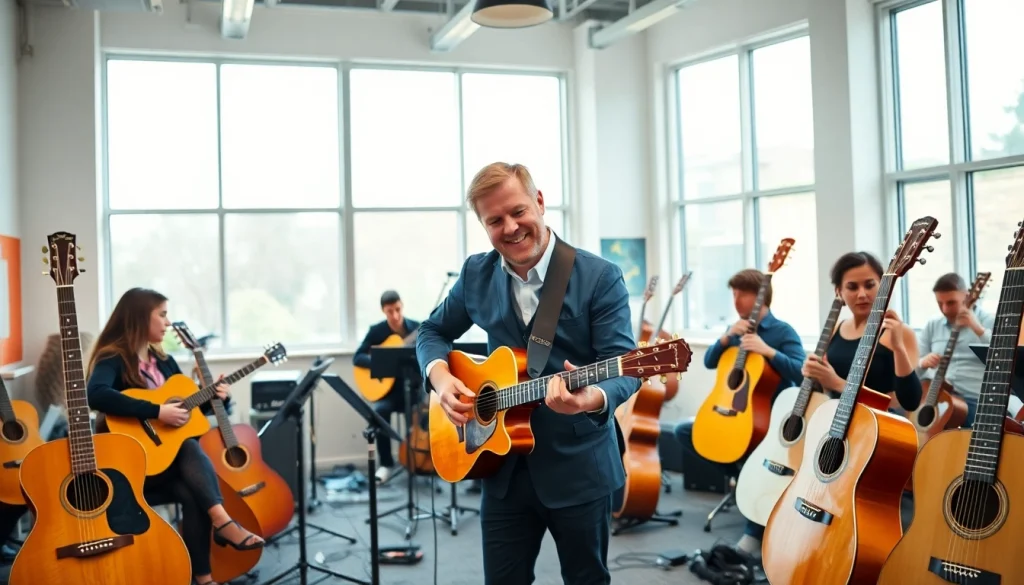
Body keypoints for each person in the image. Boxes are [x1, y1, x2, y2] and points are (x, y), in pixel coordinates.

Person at [416, 162, 640, 585]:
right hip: (499, 467)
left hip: (578, 469)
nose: (511, 227)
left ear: (539, 202)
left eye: (518, 211)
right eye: (494, 220)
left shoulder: (599, 277)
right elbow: (431, 331)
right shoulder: (475, 274)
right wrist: (441, 379)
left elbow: (625, 366)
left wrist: (589, 398)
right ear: (484, 226)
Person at [86, 287, 265, 585]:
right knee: (189, 449)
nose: (168, 323)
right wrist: (156, 411)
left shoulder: (163, 360)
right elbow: (96, 395)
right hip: (132, 466)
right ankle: (225, 523)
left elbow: (189, 411)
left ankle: (204, 578)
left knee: (193, 490)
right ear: (141, 317)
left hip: (167, 464)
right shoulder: (113, 358)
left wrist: (220, 398)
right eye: (163, 314)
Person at [673, 268, 806, 556]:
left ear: (760, 297)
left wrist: (768, 351)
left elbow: (801, 372)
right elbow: (709, 362)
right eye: (733, 294)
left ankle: (752, 535)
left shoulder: (782, 332)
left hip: (768, 420)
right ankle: (741, 478)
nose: (736, 300)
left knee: (754, 453)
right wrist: (724, 338)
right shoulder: (735, 329)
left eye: (742, 294)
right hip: (730, 415)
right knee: (684, 432)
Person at [802, 251, 922, 419]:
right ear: (839, 292)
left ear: (882, 286)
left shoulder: (900, 332)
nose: (862, 294)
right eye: (852, 287)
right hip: (834, 422)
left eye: (869, 285)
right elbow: (824, 389)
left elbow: (908, 401)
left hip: (879, 427)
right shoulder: (836, 328)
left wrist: (836, 382)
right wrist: (814, 373)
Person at [353, 290, 421, 483]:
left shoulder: (416, 328)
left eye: (398, 309)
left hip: (412, 388)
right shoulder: (377, 331)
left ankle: (415, 459)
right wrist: (382, 361)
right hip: (387, 392)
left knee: (420, 413)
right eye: (390, 311)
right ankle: (387, 464)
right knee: (379, 413)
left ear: (402, 306)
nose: (395, 316)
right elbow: (357, 358)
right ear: (384, 311)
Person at [914, 272, 994, 427]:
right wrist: (923, 362)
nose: (944, 309)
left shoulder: (987, 320)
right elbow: (913, 371)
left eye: (951, 303)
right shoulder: (933, 325)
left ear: (967, 296)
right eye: (940, 303)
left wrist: (977, 328)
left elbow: (1004, 356)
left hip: (976, 400)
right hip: (940, 398)